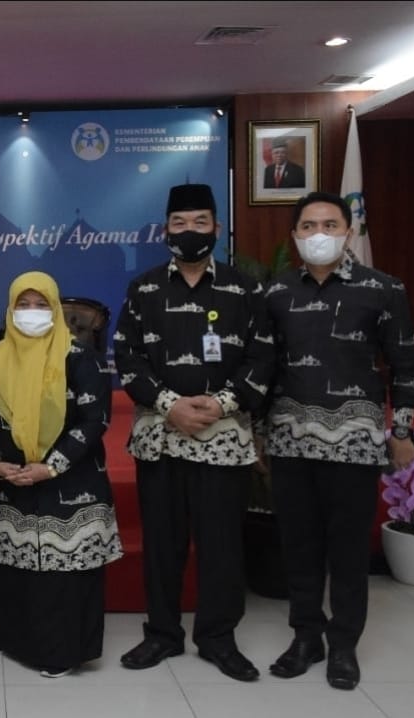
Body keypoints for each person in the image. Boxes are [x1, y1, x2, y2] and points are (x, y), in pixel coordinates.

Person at [112, 183, 274, 682]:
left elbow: (263, 356)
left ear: (216, 228)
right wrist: (170, 406)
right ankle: (162, 633)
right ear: (166, 230)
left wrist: (221, 402)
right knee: (163, 544)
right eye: (179, 223)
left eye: (199, 222)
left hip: (222, 438)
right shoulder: (143, 289)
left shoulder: (244, 289)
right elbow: (127, 358)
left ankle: (218, 637)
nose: (189, 231)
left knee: (222, 544)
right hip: (160, 438)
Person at [262, 191, 414, 690]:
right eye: (308, 226)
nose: (319, 235)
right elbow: (263, 369)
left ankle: (344, 645)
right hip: (290, 441)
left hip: (355, 443)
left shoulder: (383, 289)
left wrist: (401, 432)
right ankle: (306, 637)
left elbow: (406, 366)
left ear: (348, 232)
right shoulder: (275, 292)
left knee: (349, 550)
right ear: (295, 235)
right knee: (299, 546)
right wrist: (258, 434)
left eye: (330, 225)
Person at [0, 271, 123, 678]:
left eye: (41, 305)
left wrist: (51, 465)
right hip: (12, 482)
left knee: (65, 573)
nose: (32, 312)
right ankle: (11, 636)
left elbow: (94, 420)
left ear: (55, 310)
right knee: (11, 567)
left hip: (71, 481)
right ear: (10, 310)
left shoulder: (81, 359)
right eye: (23, 305)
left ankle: (63, 651)